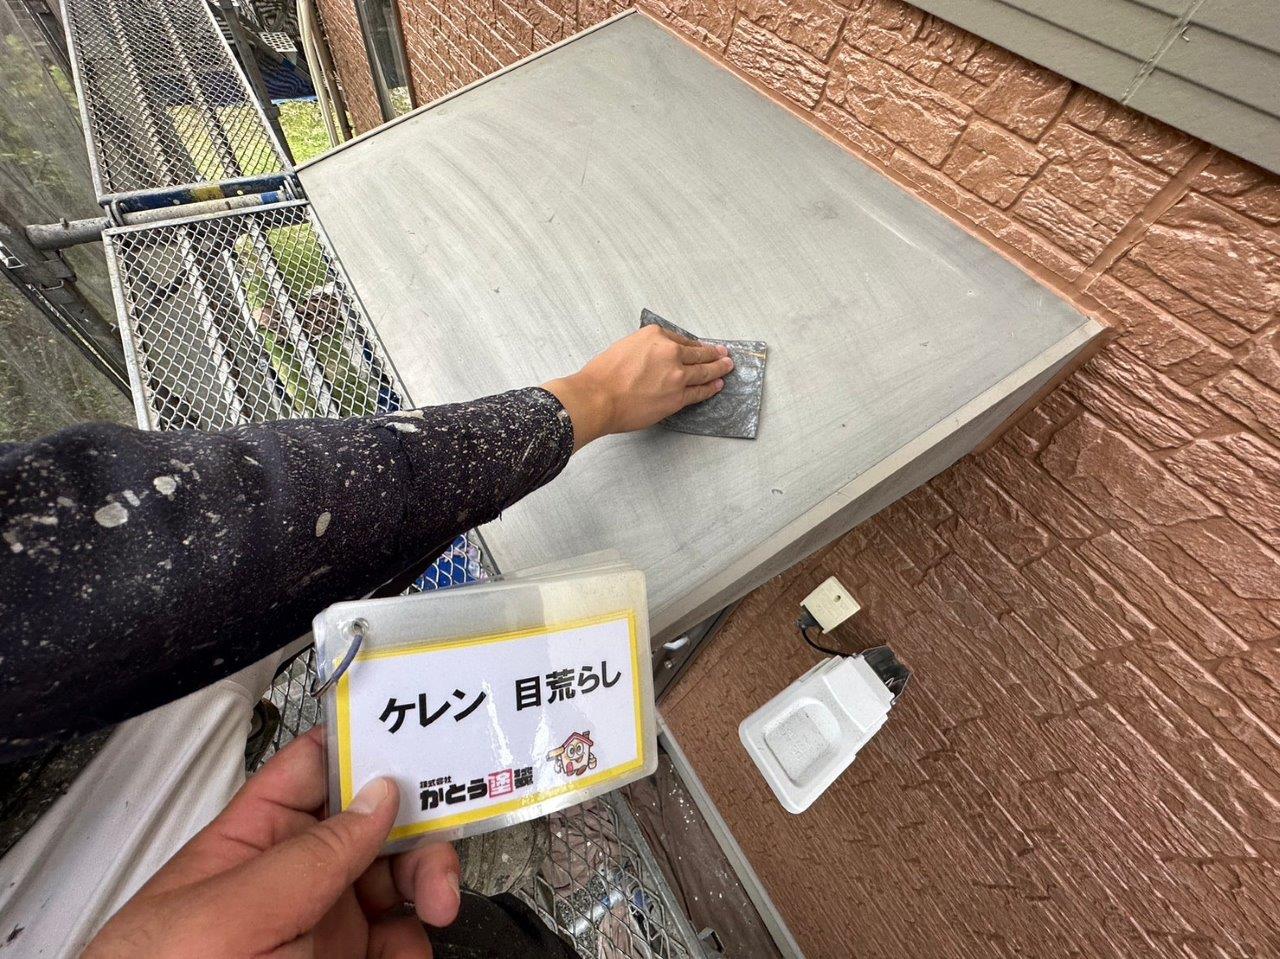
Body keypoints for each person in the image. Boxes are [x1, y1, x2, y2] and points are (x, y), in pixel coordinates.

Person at [1, 324, 733, 954]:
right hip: (299, 889)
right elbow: (280, 512)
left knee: (452, 916)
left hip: (296, 888)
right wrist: (586, 400)